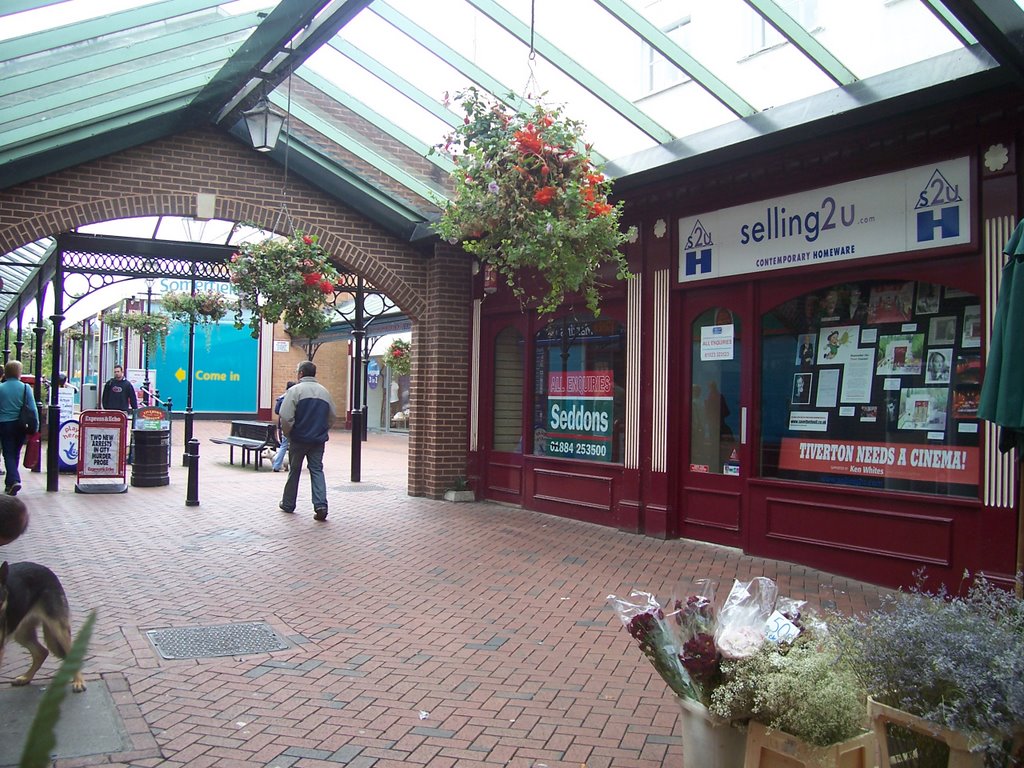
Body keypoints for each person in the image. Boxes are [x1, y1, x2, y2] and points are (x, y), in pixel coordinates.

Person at [278, 361, 337, 521]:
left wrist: (288, 433)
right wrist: (322, 429)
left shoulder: (294, 391)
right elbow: (332, 416)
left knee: (294, 471)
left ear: (301, 373)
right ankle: (321, 505)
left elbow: (285, 416)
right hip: (318, 440)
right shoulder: (324, 392)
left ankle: (288, 503)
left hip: (299, 438)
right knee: (317, 470)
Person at [0, 360, 38, 497]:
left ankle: (13, 480)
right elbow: (33, 409)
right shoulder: (25, 388)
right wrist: (36, 427)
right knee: (15, 453)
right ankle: (11, 482)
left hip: (4, 425)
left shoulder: (1, 388)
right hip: (20, 425)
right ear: (18, 373)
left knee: (8, 453)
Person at [271, 381, 296, 472]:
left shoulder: (281, 398)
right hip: (293, 425)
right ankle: (293, 465)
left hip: (282, 425)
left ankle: (277, 465)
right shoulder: (293, 398)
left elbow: (277, 411)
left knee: (283, 445)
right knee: (294, 445)